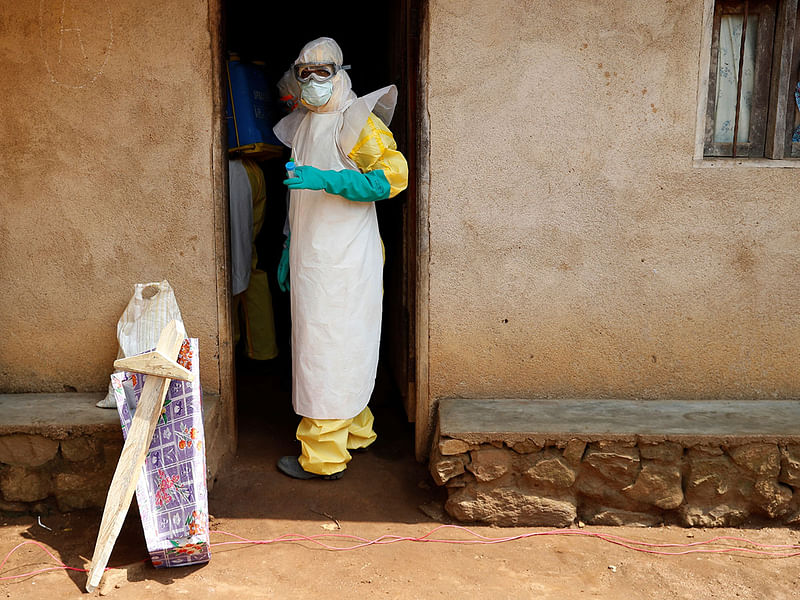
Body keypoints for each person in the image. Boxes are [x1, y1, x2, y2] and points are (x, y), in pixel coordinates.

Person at [273, 37, 408, 479]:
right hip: (314, 256)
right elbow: (299, 204)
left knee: (327, 350)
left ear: (341, 72)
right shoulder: (303, 124)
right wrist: (290, 249)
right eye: (304, 74)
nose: (312, 82)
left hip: (346, 259)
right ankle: (356, 431)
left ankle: (323, 457)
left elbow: (392, 178)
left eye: (322, 73)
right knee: (341, 346)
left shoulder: (357, 121)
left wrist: (328, 180)